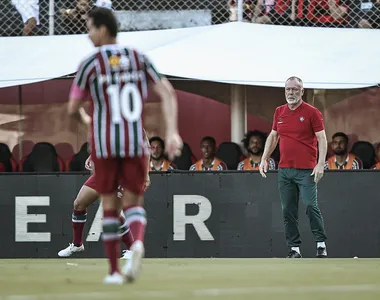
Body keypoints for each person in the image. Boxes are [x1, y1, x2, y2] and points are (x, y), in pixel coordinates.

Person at [67, 8, 182, 284]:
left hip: (106, 146)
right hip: (134, 144)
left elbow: (72, 109)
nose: (88, 34)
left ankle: (114, 272)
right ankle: (137, 243)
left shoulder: (90, 64)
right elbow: (167, 92)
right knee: (133, 204)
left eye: (90, 28)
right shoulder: (138, 58)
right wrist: (172, 132)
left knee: (109, 206)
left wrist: (88, 120)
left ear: (103, 29)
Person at [259, 76, 328, 258]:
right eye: (288, 89)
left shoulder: (312, 112)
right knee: (287, 210)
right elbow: (274, 136)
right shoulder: (279, 112)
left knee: (310, 206)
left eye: (295, 89)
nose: (291, 93)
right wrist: (264, 158)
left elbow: (322, 138)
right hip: (285, 170)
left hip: (307, 169)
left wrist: (320, 164)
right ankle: (294, 249)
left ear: (302, 91)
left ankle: (320, 244)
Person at [57, 129, 151, 259]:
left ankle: (131, 248)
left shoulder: (130, 116)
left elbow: (145, 145)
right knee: (79, 204)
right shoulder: (105, 117)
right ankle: (77, 244)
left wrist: (146, 173)